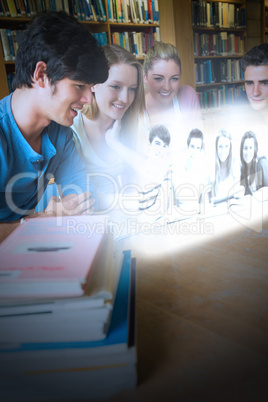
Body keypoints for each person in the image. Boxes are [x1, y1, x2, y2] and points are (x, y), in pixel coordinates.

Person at [0, 11, 108, 240]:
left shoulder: (61, 135)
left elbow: (86, 195)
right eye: (79, 85)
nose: (89, 99)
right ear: (41, 74)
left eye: (90, 87)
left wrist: (70, 206)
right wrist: (41, 221)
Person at [71, 44, 145, 202]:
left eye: (132, 89)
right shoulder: (71, 130)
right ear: (93, 85)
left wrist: (116, 144)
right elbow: (75, 198)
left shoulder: (133, 123)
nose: (125, 98)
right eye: (115, 87)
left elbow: (153, 176)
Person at [142, 41, 202, 154]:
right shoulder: (134, 108)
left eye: (174, 78)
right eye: (158, 78)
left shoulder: (187, 95)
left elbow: (199, 147)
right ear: (145, 77)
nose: (167, 87)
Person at [212, 129, 241, 202]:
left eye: (226, 146)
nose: (223, 151)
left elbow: (237, 194)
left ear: (230, 148)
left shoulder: (235, 165)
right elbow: (212, 200)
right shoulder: (212, 167)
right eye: (220, 147)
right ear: (216, 148)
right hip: (218, 210)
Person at [240, 131, 268, 195]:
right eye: (245, 148)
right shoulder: (242, 169)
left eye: (251, 148)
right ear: (241, 150)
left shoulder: (262, 164)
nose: (248, 152)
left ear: (255, 149)